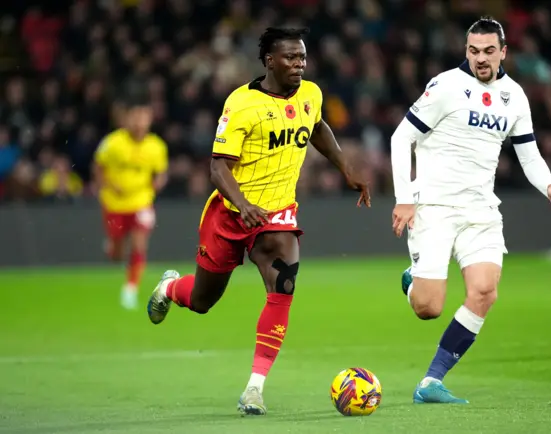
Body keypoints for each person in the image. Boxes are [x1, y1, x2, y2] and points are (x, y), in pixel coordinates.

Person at [146, 27, 370, 416]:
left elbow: (318, 126)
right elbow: (218, 167)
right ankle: (170, 287)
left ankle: (254, 388)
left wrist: (344, 168)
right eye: (290, 58)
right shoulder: (242, 104)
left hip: (278, 213)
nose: (299, 64)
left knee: (283, 287)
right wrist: (243, 204)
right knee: (202, 301)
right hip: (230, 214)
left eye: (302, 57)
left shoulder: (311, 94)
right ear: (270, 61)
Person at [390, 16, 551, 404]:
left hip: (481, 208)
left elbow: (529, 153)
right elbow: (402, 137)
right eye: (473, 51)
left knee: (485, 292)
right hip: (433, 205)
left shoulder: (515, 96)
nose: (481, 58)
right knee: (428, 307)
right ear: (465, 51)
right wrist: (404, 197)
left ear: (504, 52)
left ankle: (431, 382)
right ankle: (413, 281)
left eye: (489, 51)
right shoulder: (445, 87)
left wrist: (549, 184)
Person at [93, 94, 169, 310]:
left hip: (141, 202)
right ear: (127, 119)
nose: (139, 122)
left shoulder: (156, 146)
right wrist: (106, 185)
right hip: (115, 203)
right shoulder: (112, 143)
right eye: (135, 117)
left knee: (139, 243)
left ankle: (130, 289)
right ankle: (113, 247)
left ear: (149, 119)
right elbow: (98, 167)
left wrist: (157, 185)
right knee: (117, 255)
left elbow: (161, 172)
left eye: (143, 117)